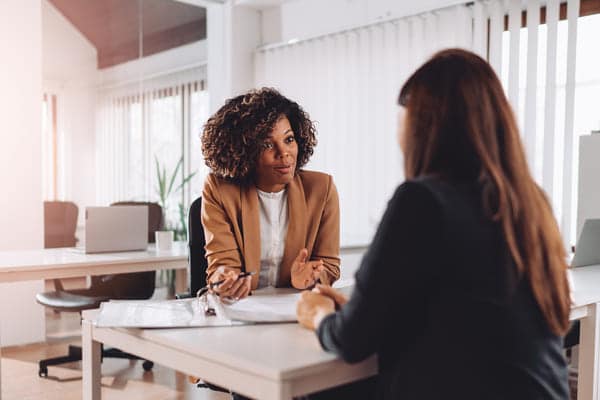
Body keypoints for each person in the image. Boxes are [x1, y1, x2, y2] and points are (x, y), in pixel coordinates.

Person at [297, 49, 571, 399]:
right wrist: (358, 310)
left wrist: (319, 316)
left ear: (425, 124)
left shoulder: (421, 200)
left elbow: (352, 340)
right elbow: (460, 312)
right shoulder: (531, 201)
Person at [200, 87, 341, 299]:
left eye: (289, 139)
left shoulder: (321, 189)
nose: (283, 152)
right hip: (241, 310)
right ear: (244, 151)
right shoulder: (219, 190)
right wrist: (226, 278)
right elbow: (221, 265)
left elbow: (329, 266)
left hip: (293, 312)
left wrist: (311, 277)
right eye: (267, 144)